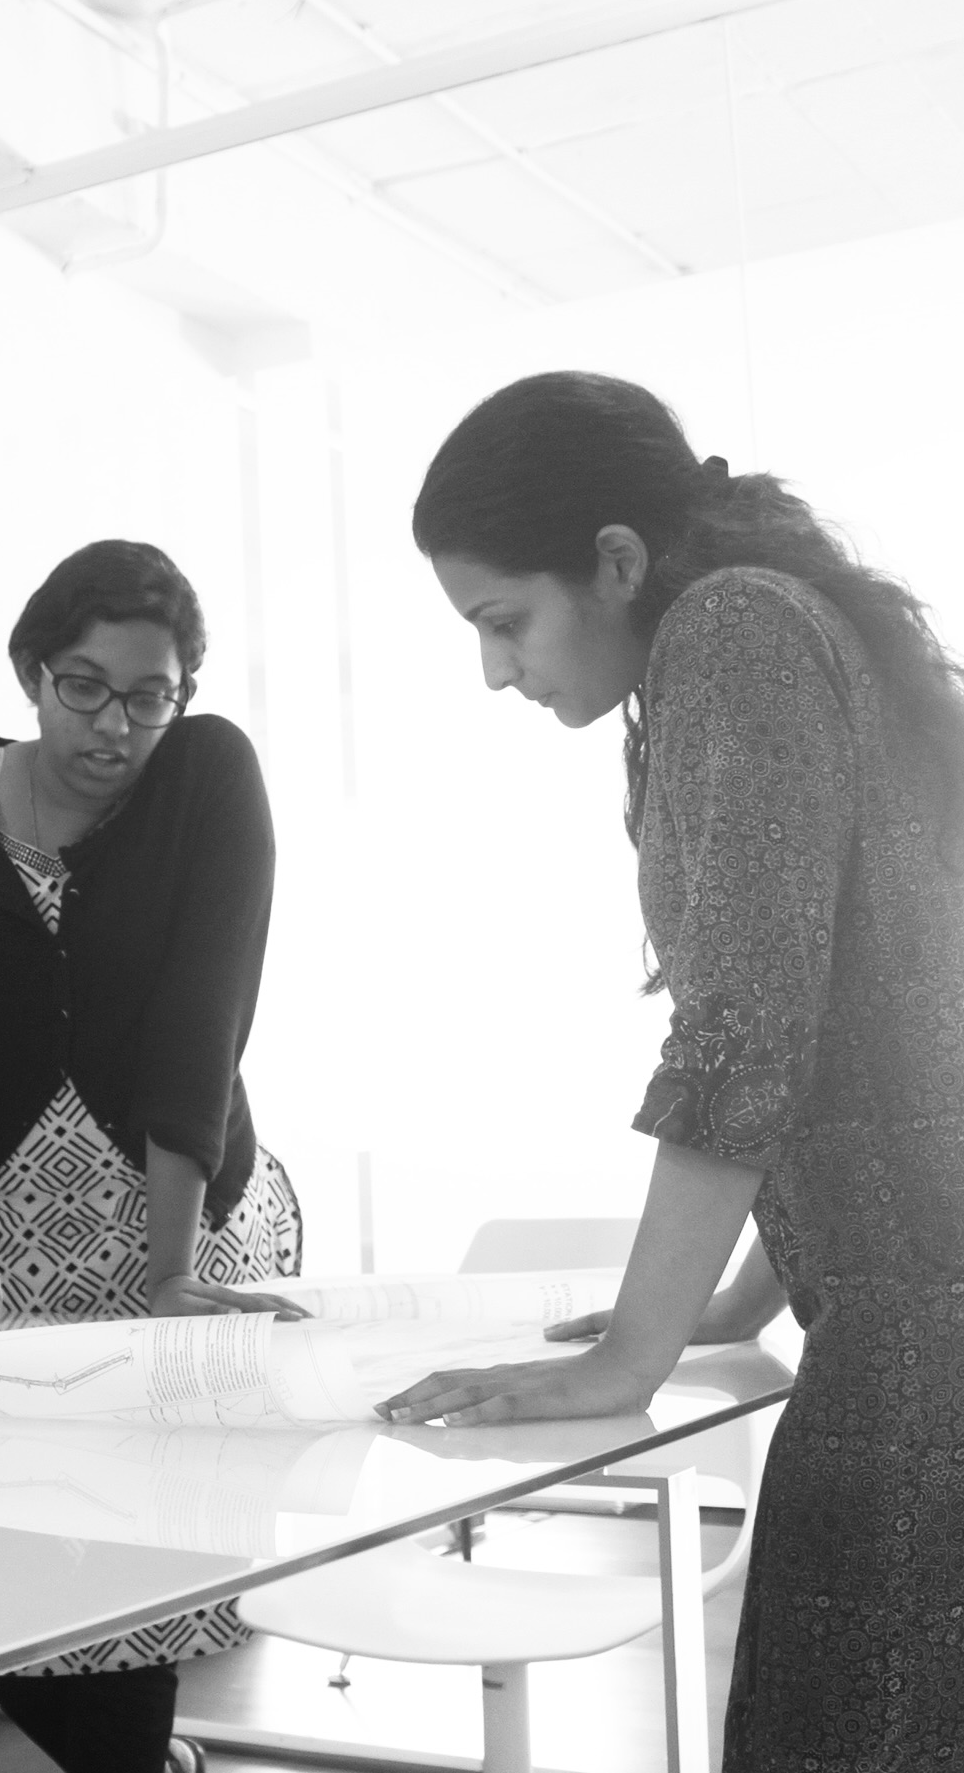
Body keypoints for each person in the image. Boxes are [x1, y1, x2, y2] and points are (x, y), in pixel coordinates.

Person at [383, 372, 964, 1767]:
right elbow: (857, 1022)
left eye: (503, 622)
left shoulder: (731, 633)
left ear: (615, 561)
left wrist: (637, 1348)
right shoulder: (774, 623)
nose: (496, 672)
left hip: (922, 1344)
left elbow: (749, 1023)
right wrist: (740, 1296)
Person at [0, 538, 303, 1773]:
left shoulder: (206, 777)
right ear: (31, 673)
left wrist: (168, 1271)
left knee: (127, 1589)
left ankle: (132, 1757)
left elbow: (202, 1027)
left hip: (169, 1222)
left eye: (150, 696)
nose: (116, 726)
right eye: (84, 687)